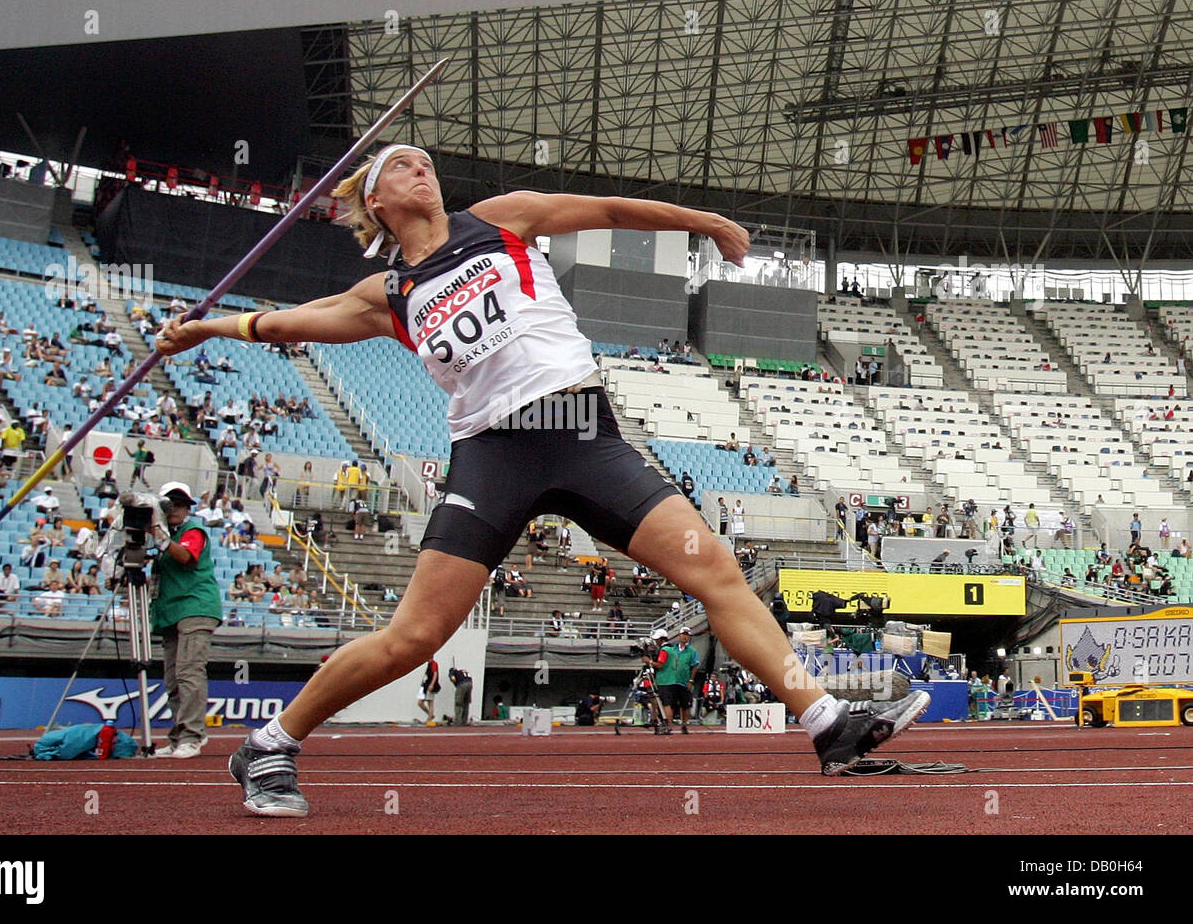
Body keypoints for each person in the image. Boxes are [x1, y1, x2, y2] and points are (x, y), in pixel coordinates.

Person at [156, 143, 929, 816]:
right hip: (495, 456)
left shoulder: (500, 217)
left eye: (422, 159)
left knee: (716, 572)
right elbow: (287, 322)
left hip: (585, 437)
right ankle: (268, 743)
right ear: (375, 203)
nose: (419, 167)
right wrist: (202, 328)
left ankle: (827, 722)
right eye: (399, 166)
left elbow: (607, 210)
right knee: (415, 638)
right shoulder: (388, 296)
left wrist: (703, 222)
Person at [149, 482, 223, 760]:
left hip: (195, 607)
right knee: (172, 679)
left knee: (189, 672)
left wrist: (162, 539)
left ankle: (192, 735)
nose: (176, 509)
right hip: (170, 611)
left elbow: (187, 557)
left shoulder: (192, 531)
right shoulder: (165, 537)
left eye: (181, 505)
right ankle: (179, 735)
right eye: (170, 505)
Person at [650, 626, 700, 733]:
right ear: (679, 635)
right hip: (673, 679)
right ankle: (669, 724)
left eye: (687, 635)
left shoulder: (692, 651)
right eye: (683, 634)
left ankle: (684, 724)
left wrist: (691, 680)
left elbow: (695, 666)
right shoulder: (673, 649)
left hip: (684, 680)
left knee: (685, 704)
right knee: (671, 703)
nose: (685, 637)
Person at [417, 659, 439, 725]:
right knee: (420, 702)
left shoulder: (434, 664)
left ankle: (429, 718)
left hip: (430, 685)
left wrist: (432, 684)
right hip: (425, 685)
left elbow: (435, 674)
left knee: (430, 702)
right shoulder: (429, 665)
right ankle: (430, 714)